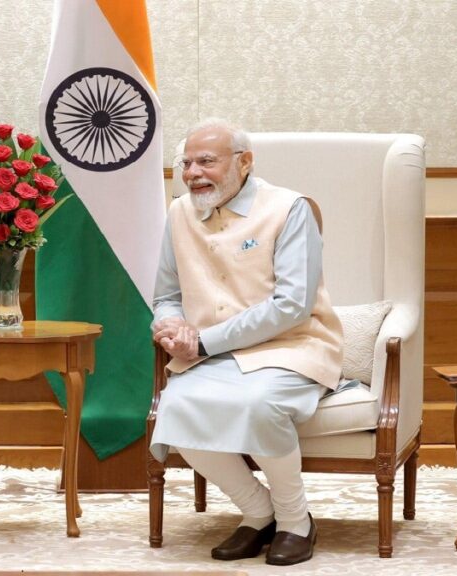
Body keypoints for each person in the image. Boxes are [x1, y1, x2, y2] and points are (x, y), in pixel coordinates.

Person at [149, 119, 343, 566]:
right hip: (211, 355)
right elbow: (166, 296)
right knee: (176, 408)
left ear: (245, 162)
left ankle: (295, 521)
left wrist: (203, 342)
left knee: (259, 405)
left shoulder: (290, 208)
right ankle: (258, 513)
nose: (193, 173)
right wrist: (170, 326)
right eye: (186, 163)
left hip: (292, 347)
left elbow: (292, 305)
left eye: (206, 161)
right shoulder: (179, 213)